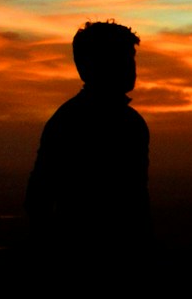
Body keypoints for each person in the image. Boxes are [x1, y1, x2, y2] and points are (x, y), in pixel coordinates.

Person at [26, 20, 150, 254]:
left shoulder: (130, 123)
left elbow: (136, 200)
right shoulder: (71, 121)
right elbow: (40, 194)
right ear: (92, 65)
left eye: (131, 57)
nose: (131, 66)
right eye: (121, 58)